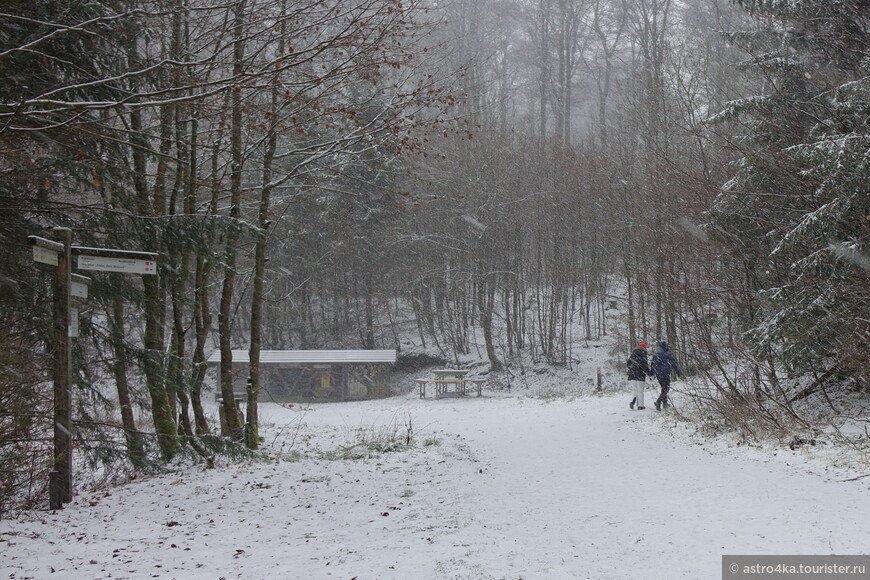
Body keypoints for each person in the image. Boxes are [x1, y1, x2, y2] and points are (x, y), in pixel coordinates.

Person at [651, 341, 682, 411]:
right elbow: (673, 364)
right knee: (666, 389)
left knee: (663, 388)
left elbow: (652, 365)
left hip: (658, 374)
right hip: (665, 374)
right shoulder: (668, 354)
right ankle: (658, 402)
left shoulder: (655, 355)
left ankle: (665, 403)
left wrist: (652, 373)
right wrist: (678, 373)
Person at [627, 342, 653, 410]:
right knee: (640, 390)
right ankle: (640, 406)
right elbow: (645, 366)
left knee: (635, 390)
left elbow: (628, 364)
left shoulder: (632, 354)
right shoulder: (643, 355)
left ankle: (632, 401)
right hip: (640, 375)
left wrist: (632, 369)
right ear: (644, 348)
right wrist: (649, 373)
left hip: (631, 374)